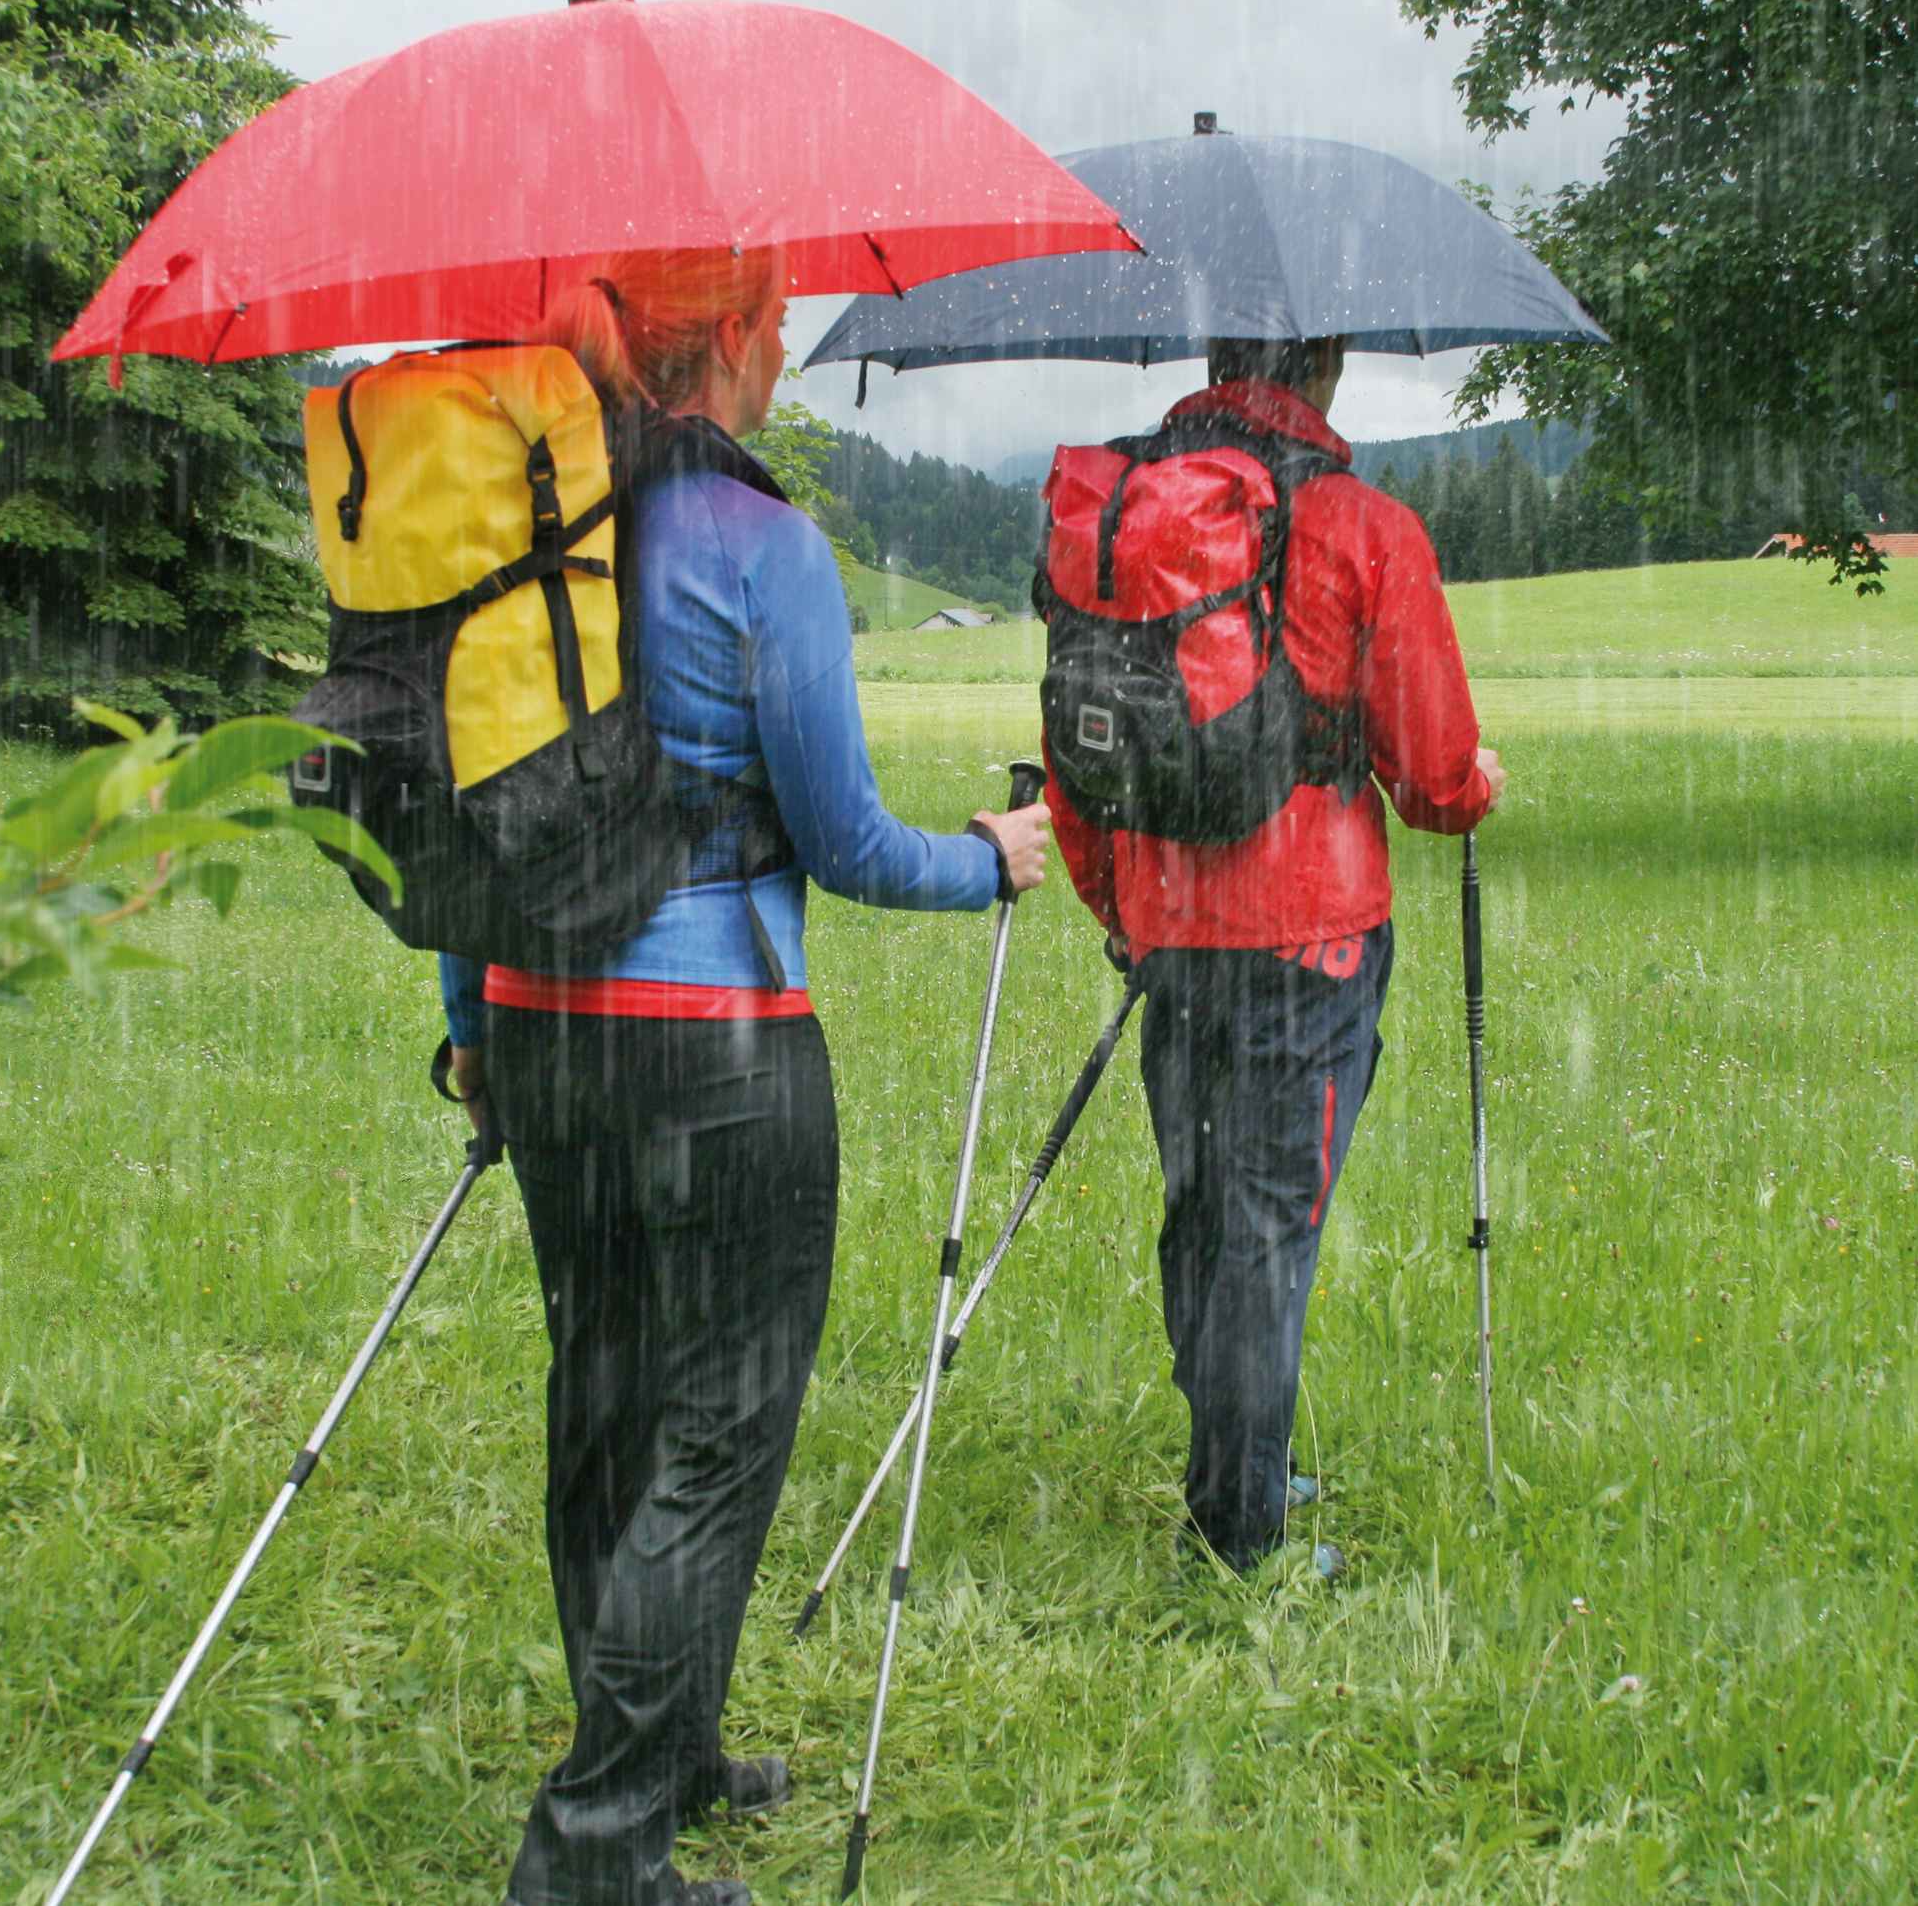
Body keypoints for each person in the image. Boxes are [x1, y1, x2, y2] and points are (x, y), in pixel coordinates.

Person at [439, 246, 1051, 1906]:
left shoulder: (517, 537)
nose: (791, 348)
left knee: (607, 1407)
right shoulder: (765, 549)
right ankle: (596, 1852)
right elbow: (846, 842)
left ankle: (672, 1752)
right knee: (713, 1440)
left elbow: (475, 826)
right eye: (779, 321)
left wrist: (476, 1026)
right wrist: (989, 858)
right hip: (720, 1051)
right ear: (724, 343)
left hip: (541, 1031)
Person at [1043, 334, 1504, 1580]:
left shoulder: (1129, 521)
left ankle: (1232, 1469)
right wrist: (1472, 790)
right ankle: (1240, 1534)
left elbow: (1086, 743)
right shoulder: (1365, 526)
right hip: (1312, 939)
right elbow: (1432, 771)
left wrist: (1121, 905)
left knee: (1205, 1214)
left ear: (1213, 353)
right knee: (1264, 1229)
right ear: (1328, 363)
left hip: (1169, 932)